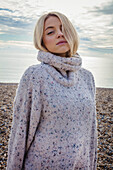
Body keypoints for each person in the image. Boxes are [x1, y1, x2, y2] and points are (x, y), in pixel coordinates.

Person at [7, 11, 97, 170]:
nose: (60, 34)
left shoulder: (87, 77)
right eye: (50, 32)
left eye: (64, 29)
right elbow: (20, 133)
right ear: (41, 41)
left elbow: (90, 133)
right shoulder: (35, 76)